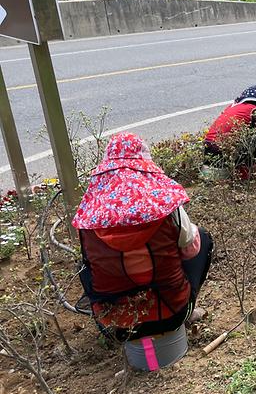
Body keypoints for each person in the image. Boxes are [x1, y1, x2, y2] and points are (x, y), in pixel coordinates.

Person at [74, 133, 213, 341]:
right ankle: (186, 309)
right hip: (171, 315)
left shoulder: (89, 216)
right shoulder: (165, 205)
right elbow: (190, 250)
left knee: (83, 266)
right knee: (201, 237)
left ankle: (127, 333)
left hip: (115, 327)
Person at [204, 85, 256, 173]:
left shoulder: (231, 107)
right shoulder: (253, 110)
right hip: (222, 150)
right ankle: (244, 172)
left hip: (207, 148)